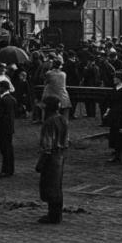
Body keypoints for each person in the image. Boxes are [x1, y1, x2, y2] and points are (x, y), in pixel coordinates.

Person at [37, 96, 70, 224]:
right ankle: (57, 214)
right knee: (57, 186)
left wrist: (41, 162)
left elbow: (47, 145)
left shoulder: (49, 122)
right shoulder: (63, 119)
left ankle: (53, 216)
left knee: (49, 185)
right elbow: (66, 140)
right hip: (61, 155)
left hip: (51, 156)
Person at [103, 71, 122, 163]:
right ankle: (117, 155)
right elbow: (111, 102)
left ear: (120, 79)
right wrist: (107, 111)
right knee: (114, 134)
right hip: (114, 114)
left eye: (115, 78)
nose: (113, 79)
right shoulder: (114, 88)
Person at [0, 79, 16, 177]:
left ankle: (6, 170)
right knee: (8, 149)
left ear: (3, 88)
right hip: (9, 127)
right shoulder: (12, 99)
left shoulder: (3, 100)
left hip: (3, 127)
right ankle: (9, 169)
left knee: (4, 149)